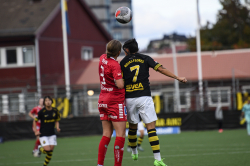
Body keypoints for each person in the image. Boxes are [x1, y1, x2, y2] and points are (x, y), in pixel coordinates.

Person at [120, 38, 187, 166]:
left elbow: (119, 82)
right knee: (151, 129)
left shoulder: (122, 63)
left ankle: (134, 152)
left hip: (129, 99)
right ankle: (157, 159)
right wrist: (177, 77)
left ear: (127, 50)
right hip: (144, 97)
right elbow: (161, 69)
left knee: (133, 128)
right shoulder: (145, 58)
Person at [97, 39, 127, 166]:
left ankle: (100, 164)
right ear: (119, 52)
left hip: (102, 99)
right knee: (120, 135)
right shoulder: (115, 65)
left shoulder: (102, 57)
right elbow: (120, 85)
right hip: (114, 101)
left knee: (106, 134)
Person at [33, 96, 60, 166]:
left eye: (49, 100)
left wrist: (57, 127)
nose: (48, 102)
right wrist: (36, 131)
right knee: (47, 150)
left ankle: (44, 165)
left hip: (52, 134)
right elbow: (35, 121)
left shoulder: (55, 110)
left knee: (50, 151)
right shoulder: (42, 112)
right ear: (44, 103)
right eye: (46, 101)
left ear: (52, 101)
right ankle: (39, 148)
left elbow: (57, 120)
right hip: (43, 134)